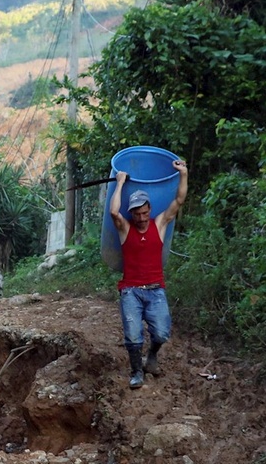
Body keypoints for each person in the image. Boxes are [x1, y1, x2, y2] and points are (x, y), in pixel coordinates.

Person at [109, 159, 188, 389]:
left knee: (162, 333)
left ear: (150, 210)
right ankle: (136, 371)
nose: (142, 218)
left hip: (156, 289)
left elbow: (179, 200)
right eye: (137, 214)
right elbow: (114, 212)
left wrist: (183, 174)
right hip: (131, 291)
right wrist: (120, 182)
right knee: (133, 336)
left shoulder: (160, 224)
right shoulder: (126, 228)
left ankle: (151, 358)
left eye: (144, 213)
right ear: (132, 214)